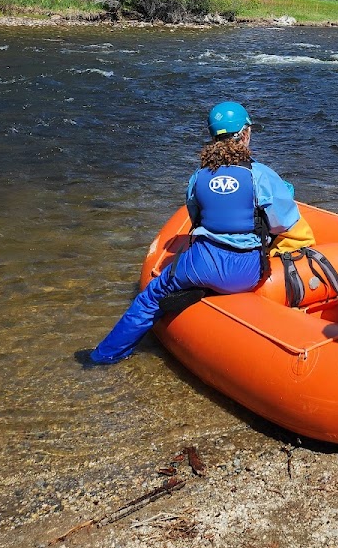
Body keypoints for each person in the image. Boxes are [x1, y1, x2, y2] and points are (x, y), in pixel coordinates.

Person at [80, 100, 312, 365]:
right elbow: (283, 224)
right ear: (245, 134)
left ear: (213, 137)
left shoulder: (198, 176)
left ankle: (103, 356)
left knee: (149, 299)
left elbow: (195, 217)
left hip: (200, 264)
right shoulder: (262, 175)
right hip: (245, 272)